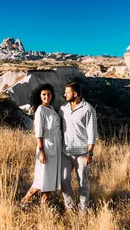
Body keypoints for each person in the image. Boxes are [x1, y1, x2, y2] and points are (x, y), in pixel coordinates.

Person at [20, 83, 62, 206]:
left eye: (49, 94)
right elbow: (38, 133)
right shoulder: (40, 110)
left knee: (50, 179)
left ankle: (44, 207)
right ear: (40, 96)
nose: (46, 97)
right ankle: (24, 200)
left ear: (52, 95)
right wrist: (41, 152)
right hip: (47, 147)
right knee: (41, 179)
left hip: (55, 146)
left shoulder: (51, 109)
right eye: (44, 94)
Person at [59, 81, 98, 214]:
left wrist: (90, 153)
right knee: (64, 181)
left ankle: (83, 212)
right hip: (65, 152)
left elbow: (92, 133)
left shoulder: (88, 109)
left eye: (67, 93)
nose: (64, 95)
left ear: (75, 94)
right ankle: (70, 209)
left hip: (82, 153)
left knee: (83, 183)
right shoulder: (63, 109)